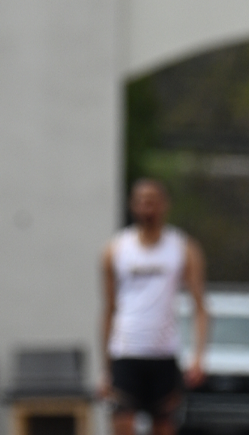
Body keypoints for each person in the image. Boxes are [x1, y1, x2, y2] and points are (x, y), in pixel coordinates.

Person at [99, 178, 208, 435]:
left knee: (164, 426)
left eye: (153, 201)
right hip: (126, 351)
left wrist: (199, 356)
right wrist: (105, 368)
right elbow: (108, 309)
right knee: (122, 423)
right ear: (132, 205)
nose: (148, 207)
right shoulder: (115, 250)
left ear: (164, 205)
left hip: (163, 353)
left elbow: (200, 305)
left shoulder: (182, 248)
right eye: (142, 201)